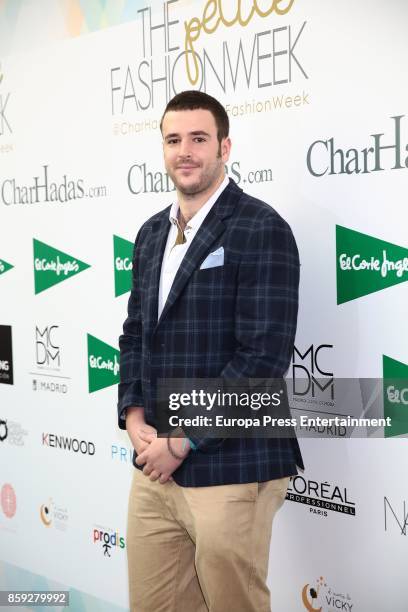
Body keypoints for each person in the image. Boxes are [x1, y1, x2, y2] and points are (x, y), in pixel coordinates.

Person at [117, 90, 304, 612]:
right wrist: (133, 412)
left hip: (233, 462)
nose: (185, 151)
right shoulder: (150, 234)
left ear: (225, 146)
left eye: (198, 139)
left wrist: (182, 440)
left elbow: (262, 359)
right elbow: (135, 333)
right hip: (154, 465)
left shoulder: (261, 228)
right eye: (173, 140)